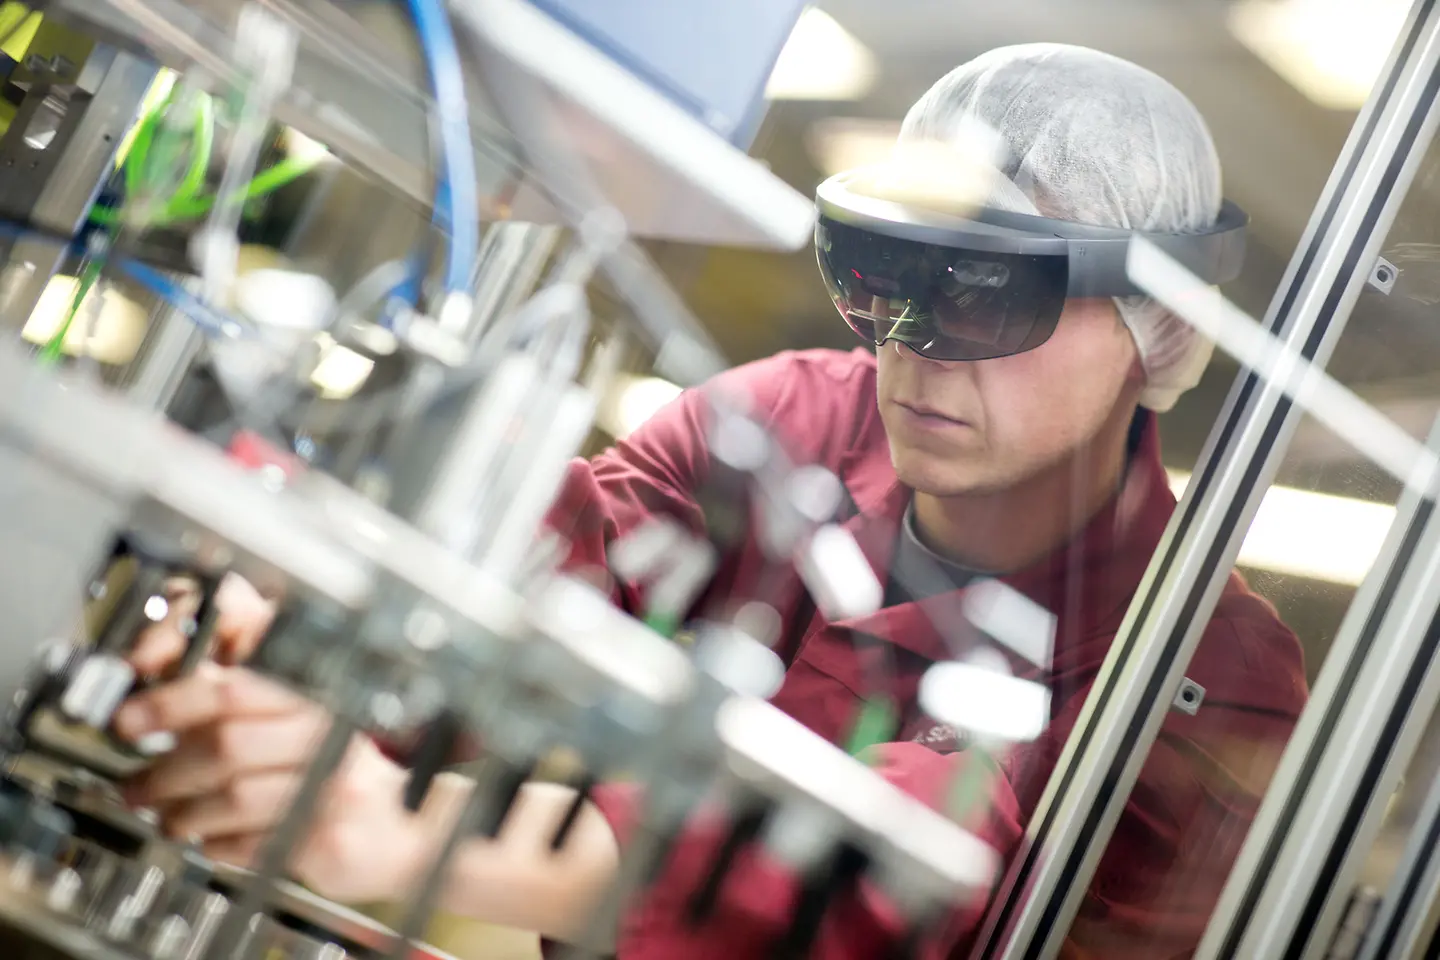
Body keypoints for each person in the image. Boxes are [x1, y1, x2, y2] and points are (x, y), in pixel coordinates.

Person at [111, 44, 1307, 959]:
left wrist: (408, 832)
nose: (909, 346)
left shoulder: (1205, 663)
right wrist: (291, 604)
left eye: (988, 296)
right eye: (884, 276)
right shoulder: (790, 421)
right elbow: (531, 580)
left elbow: (906, 861)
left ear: (1157, 326)